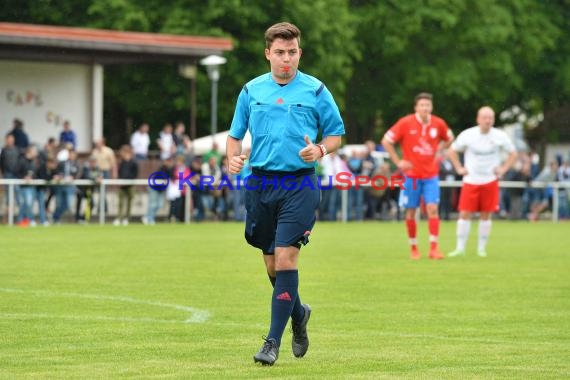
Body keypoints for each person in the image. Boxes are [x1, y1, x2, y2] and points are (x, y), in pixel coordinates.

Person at [226, 22, 345, 366]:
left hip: (300, 184)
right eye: (280, 53)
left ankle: (272, 343)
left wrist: (321, 150)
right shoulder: (251, 90)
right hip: (261, 184)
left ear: (299, 53)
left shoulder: (316, 90)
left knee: (286, 258)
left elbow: (336, 134)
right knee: (271, 264)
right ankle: (298, 313)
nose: (286, 60)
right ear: (268, 54)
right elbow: (235, 136)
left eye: (292, 53)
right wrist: (233, 158)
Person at [381, 92, 454, 260]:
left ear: (431, 107)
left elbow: (450, 138)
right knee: (411, 211)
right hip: (411, 176)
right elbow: (386, 140)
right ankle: (414, 247)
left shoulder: (438, 123)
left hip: (431, 175)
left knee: (432, 209)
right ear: (416, 107)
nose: (425, 108)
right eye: (422, 105)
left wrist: (439, 150)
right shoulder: (405, 123)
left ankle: (434, 248)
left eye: (427, 105)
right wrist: (398, 162)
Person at [447, 106, 517, 257]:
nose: (487, 121)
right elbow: (452, 150)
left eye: (490, 118)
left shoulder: (500, 136)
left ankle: (481, 249)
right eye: (484, 117)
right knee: (465, 213)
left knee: (486, 214)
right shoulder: (468, 135)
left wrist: (503, 169)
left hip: (490, 180)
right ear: (478, 119)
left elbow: (513, 153)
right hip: (471, 180)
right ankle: (460, 248)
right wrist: (459, 168)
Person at [114, 145, 138, 226]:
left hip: (130, 185)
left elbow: (135, 175)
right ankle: (119, 218)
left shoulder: (134, 163)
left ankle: (127, 218)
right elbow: (120, 173)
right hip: (122, 185)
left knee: (129, 203)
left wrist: (127, 181)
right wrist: (120, 181)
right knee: (121, 202)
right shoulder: (122, 162)